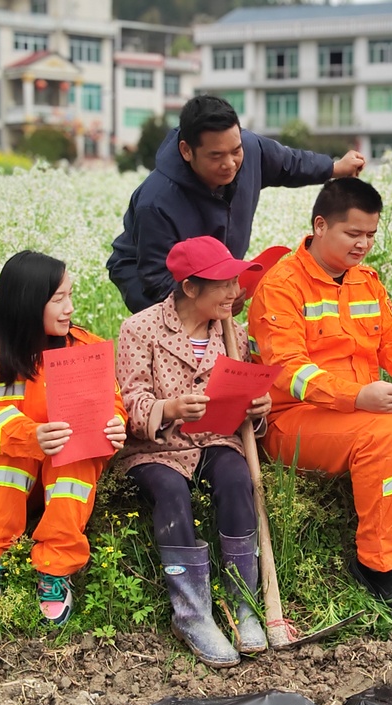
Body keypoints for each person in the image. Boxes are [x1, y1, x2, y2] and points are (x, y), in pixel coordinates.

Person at [248, 178, 392, 624]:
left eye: (371, 234)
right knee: (385, 430)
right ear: (320, 225)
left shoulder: (366, 282)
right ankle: (379, 565)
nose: (364, 244)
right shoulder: (280, 286)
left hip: (364, 409)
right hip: (294, 421)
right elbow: (289, 372)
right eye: (354, 233)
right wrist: (357, 395)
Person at [115, 236, 272, 668]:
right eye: (223, 284)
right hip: (157, 447)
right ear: (189, 288)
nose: (235, 291)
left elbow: (249, 399)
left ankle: (244, 604)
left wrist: (258, 407)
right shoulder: (140, 330)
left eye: (235, 281)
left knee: (237, 478)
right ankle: (192, 613)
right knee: (170, 492)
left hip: (214, 440)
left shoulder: (232, 333)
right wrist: (169, 408)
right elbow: (129, 402)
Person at [0, 251, 127, 625]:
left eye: (70, 295)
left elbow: (111, 402)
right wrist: (29, 436)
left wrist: (115, 422)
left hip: (59, 469)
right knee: (7, 452)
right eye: (59, 299)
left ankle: (55, 568)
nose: (70, 308)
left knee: (77, 452)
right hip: (0, 472)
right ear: (28, 303)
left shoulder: (83, 348)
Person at [107, 95, 366, 313]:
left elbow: (288, 163)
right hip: (146, 275)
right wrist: (217, 297)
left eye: (235, 151)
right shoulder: (157, 201)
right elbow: (158, 280)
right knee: (179, 337)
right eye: (216, 156)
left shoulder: (249, 148)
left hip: (211, 273)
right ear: (187, 151)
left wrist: (334, 168)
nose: (230, 163)